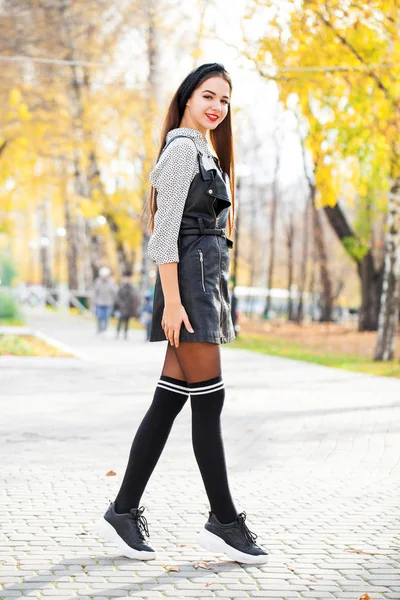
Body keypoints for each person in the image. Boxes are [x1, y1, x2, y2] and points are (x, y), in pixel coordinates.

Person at [95, 63, 268, 565]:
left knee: (171, 401)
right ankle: (224, 520)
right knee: (208, 402)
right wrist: (171, 301)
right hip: (187, 289)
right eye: (208, 95)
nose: (217, 106)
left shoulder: (205, 151)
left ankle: (124, 511)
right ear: (188, 97)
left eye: (225, 100)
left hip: (205, 284)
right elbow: (163, 232)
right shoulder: (179, 151)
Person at [115, 271, 141, 340]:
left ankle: (125, 334)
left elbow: (135, 297)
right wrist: (121, 304)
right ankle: (117, 333)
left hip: (129, 307)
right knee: (120, 320)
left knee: (127, 321)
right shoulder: (122, 286)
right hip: (123, 307)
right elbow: (118, 296)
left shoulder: (132, 287)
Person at [93, 267, 117, 334]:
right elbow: (95, 292)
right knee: (99, 316)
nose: (105, 277)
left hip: (108, 303)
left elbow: (114, 292)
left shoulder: (111, 282)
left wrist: (115, 301)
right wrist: (94, 302)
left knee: (106, 317)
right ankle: (99, 328)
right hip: (99, 302)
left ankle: (105, 329)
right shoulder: (98, 282)